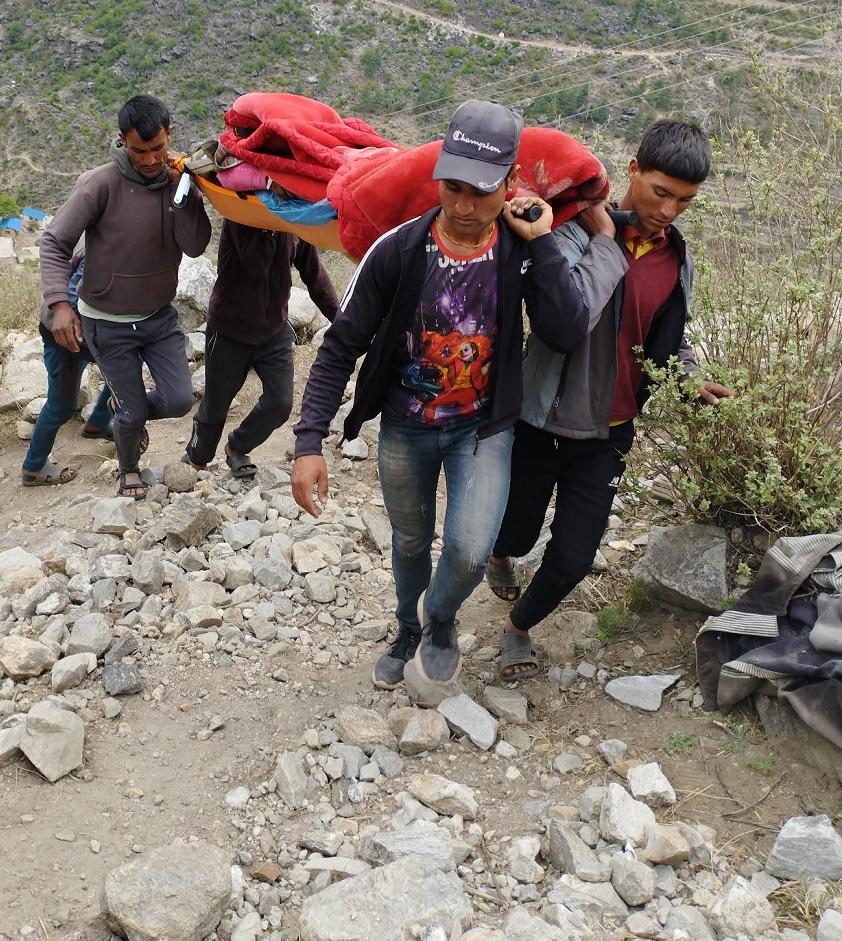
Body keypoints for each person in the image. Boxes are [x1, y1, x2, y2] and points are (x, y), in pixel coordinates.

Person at [291, 100, 592, 694]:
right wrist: (309, 440)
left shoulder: (520, 251)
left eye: (480, 192)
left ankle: (441, 616)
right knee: (408, 539)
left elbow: (567, 330)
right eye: (452, 187)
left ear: (509, 184)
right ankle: (406, 627)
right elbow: (340, 346)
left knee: (472, 547)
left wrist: (543, 244)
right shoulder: (398, 252)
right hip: (405, 426)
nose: (462, 205)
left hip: (484, 428)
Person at [488, 119, 733, 679]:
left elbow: (667, 338)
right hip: (541, 418)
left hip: (611, 432)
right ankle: (500, 556)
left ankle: (518, 626)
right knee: (517, 532)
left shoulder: (675, 260)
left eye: (685, 201)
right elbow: (558, 323)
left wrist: (691, 377)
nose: (669, 211)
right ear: (633, 171)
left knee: (573, 557)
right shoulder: (573, 234)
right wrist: (604, 240)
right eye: (660, 192)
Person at [40, 94, 211, 500]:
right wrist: (59, 305)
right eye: (139, 150)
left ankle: (125, 415)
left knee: (179, 399)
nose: (150, 160)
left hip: (158, 317)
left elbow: (196, 245)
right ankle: (128, 469)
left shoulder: (179, 183)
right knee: (133, 409)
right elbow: (54, 243)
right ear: (122, 140)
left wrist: (181, 193)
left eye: (158, 149)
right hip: (106, 321)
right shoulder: (99, 183)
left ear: (170, 135)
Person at [182, 220, 339, 479]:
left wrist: (343, 321)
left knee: (280, 402)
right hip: (229, 330)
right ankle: (197, 457)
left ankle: (237, 447)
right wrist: (271, 227)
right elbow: (257, 264)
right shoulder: (239, 216)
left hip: (274, 330)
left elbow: (314, 275)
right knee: (215, 405)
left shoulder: (294, 220)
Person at [21, 250, 116, 486]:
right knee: (62, 404)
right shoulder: (101, 246)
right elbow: (73, 300)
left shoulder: (113, 232)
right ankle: (33, 468)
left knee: (121, 376)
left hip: (84, 332)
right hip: (63, 334)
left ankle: (98, 424)